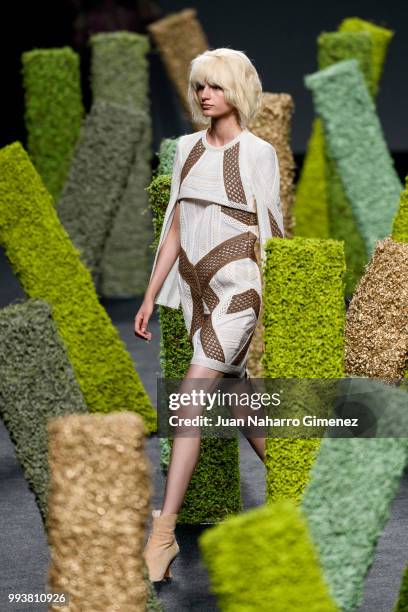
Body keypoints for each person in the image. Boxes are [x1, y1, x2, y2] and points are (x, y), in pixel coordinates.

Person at [134, 47, 285, 582]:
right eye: (199, 86)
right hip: (198, 292)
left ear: (236, 91)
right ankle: (300, 498)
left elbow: (273, 231)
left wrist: (278, 304)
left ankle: (163, 532)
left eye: (215, 86)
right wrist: (152, 294)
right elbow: (175, 226)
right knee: (243, 408)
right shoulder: (185, 149)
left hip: (239, 293)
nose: (204, 95)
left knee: (190, 398)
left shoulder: (257, 153)